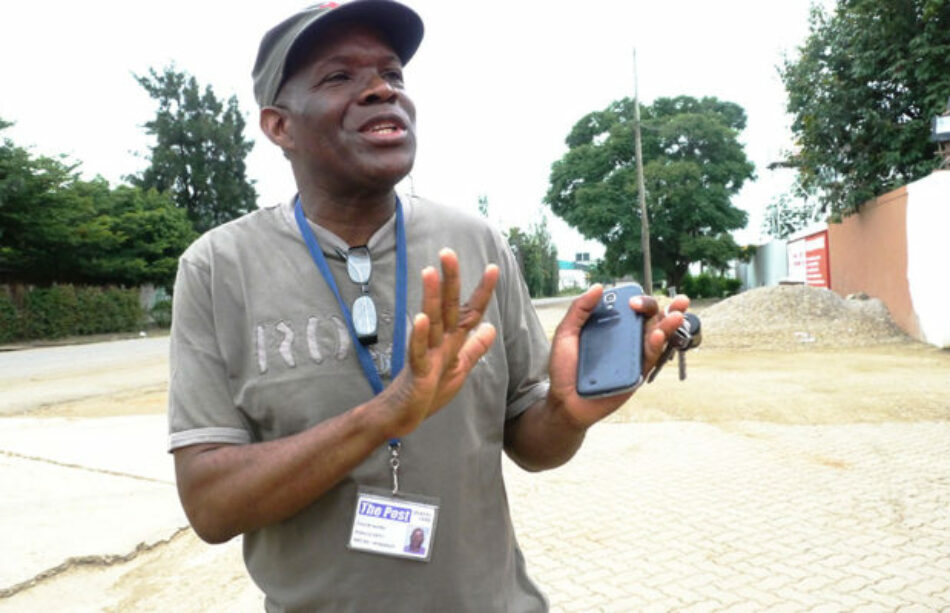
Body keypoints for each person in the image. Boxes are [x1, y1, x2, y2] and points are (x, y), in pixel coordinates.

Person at [167, 1, 690, 611]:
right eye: (340, 77)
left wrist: (567, 413)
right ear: (279, 126)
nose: (381, 90)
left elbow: (533, 445)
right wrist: (384, 415)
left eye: (392, 74)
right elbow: (210, 505)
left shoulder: (476, 244)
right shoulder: (216, 268)